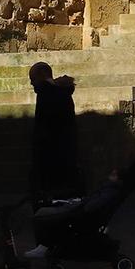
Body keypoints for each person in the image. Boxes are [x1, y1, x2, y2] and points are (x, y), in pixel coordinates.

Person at [28, 63, 80, 200]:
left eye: (33, 78)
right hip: (65, 152)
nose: (32, 83)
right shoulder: (63, 93)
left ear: (42, 75)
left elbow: (45, 125)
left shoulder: (46, 93)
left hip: (51, 155)